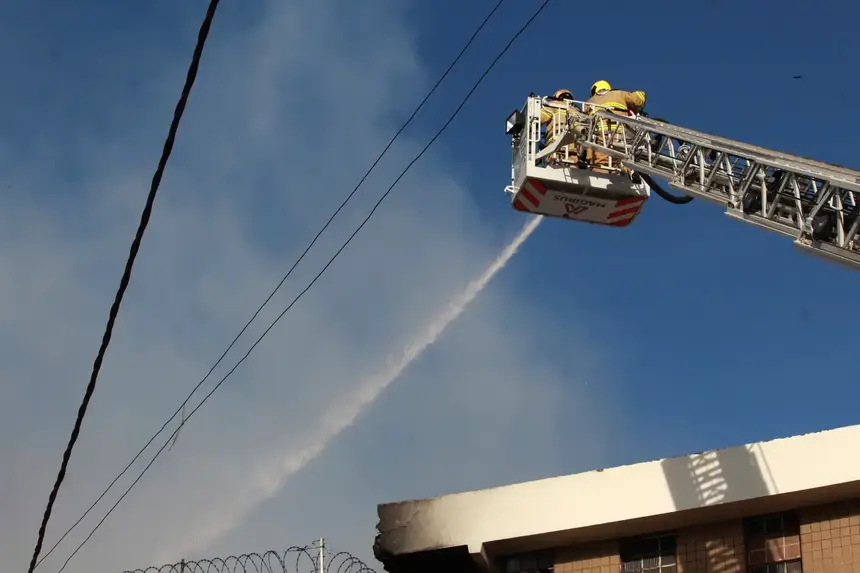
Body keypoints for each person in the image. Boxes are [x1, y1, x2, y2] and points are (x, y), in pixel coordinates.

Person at [583, 80, 647, 173]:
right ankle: (626, 175)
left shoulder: (590, 101)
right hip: (621, 134)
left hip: (601, 135)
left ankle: (602, 176)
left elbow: (585, 119)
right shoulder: (619, 94)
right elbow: (637, 99)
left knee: (602, 163)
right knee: (623, 161)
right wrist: (642, 95)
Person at [539, 89, 577, 163]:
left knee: (555, 165)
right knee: (573, 166)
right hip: (574, 147)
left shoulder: (553, 105)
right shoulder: (576, 110)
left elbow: (539, 118)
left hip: (556, 144)